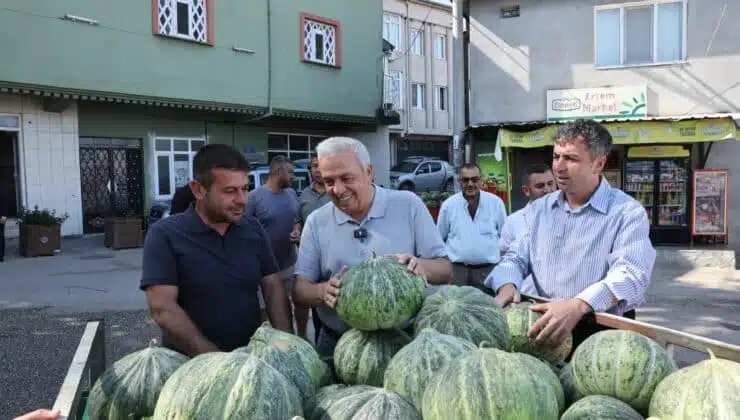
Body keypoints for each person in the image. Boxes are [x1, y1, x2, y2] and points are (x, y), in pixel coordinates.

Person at [485, 119, 655, 354]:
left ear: (599, 163)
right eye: (556, 157)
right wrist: (506, 283)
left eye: (571, 159)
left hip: (601, 334)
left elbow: (631, 275)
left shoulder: (627, 212)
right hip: (544, 327)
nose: (559, 167)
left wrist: (579, 305)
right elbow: (515, 257)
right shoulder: (539, 209)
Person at [293, 136, 452, 357]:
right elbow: (300, 291)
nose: (338, 190)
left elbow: (445, 269)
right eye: (329, 181)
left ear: (369, 172)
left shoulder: (408, 205)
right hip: (339, 345)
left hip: (406, 343)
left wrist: (421, 266)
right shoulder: (316, 221)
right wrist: (322, 291)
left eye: (346, 178)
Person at [140, 144, 293, 357]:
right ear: (198, 189)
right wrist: (215, 360)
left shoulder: (252, 227)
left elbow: (273, 286)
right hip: (190, 367)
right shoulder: (165, 235)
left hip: (250, 364)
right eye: (230, 191)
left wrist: (288, 345)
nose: (242, 200)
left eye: (245, 189)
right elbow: (162, 309)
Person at [245, 155, 307, 339]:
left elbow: (296, 219)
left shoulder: (290, 194)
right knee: (266, 311)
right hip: (263, 270)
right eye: (290, 172)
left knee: (294, 304)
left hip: (288, 263)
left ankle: (300, 339)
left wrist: (297, 229)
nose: (293, 176)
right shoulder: (254, 198)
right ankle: (267, 344)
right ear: (278, 172)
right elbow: (243, 229)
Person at [436, 163, 507, 290]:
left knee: (487, 307)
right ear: (459, 182)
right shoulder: (449, 206)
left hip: (488, 271)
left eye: (474, 179)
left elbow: (506, 238)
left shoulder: (496, 203)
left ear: (481, 180)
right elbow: (439, 239)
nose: (470, 184)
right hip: (457, 272)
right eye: (465, 180)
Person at [498, 163, 556, 295]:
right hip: (525, 296)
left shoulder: (568, 214)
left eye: (550, 183)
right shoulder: (513, 221)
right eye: (540, 186)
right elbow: (506, 259)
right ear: (526, 190)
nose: (548, 190)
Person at [297, 155, 332, 343]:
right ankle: (320, 339)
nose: (317, 170)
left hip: (331, 257)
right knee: (315, 303)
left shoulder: (336, 191)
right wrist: (296, 230)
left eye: (320, 165)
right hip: (310, 258)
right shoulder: (304, 195)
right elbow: (299, 221)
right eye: (313, 166)